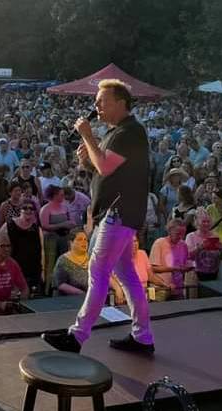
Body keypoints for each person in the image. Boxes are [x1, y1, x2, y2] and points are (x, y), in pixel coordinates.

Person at [44, 79, 153, 355]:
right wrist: (86, 157)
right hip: (114, 211)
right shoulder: (118, 132)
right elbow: (101, 167)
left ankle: (77, 336)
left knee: (98, 272)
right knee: (126, 274)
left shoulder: (131, 132)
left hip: (119, 212)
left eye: (101, 101)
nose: (97, 107)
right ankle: (143, 336)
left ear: (120, 102)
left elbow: (104, 167)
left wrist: (88, 135)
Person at [149, 219, 194, 297]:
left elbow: (186, 262)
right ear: (169, 231)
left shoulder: (183, 245)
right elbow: (153, 268)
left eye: (183, 234)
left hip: (178, 288)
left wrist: (189, 267)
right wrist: (175, 268)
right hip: (161, 289)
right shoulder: (159, 243)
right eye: (178, 234)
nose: (180, 237)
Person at [5, 205, 44, 292]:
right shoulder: (9, 225)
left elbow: (42, 251)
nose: (28, 210)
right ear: (20, 210)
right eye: (25, 208)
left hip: (33, 269)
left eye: (31, 208)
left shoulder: (37, 228)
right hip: (14, 265)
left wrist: (42, 271)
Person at [52, 227, 92, 295]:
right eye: (80, 239)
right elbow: (60, 284)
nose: (84, 242)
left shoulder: (92, 258)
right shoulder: (63, 260)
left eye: (85, 239)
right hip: (67, 300)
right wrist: (81, 293)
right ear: (71, 243)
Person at [186, 209, 222, 282]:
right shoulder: (191, 236)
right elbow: (188, 256)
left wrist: (221, 249)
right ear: (197, 222)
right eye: (203, 221)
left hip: (214, 274)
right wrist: (200, 247)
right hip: (196, 274)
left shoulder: (216, 236)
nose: (206, 224)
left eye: (208, 221)